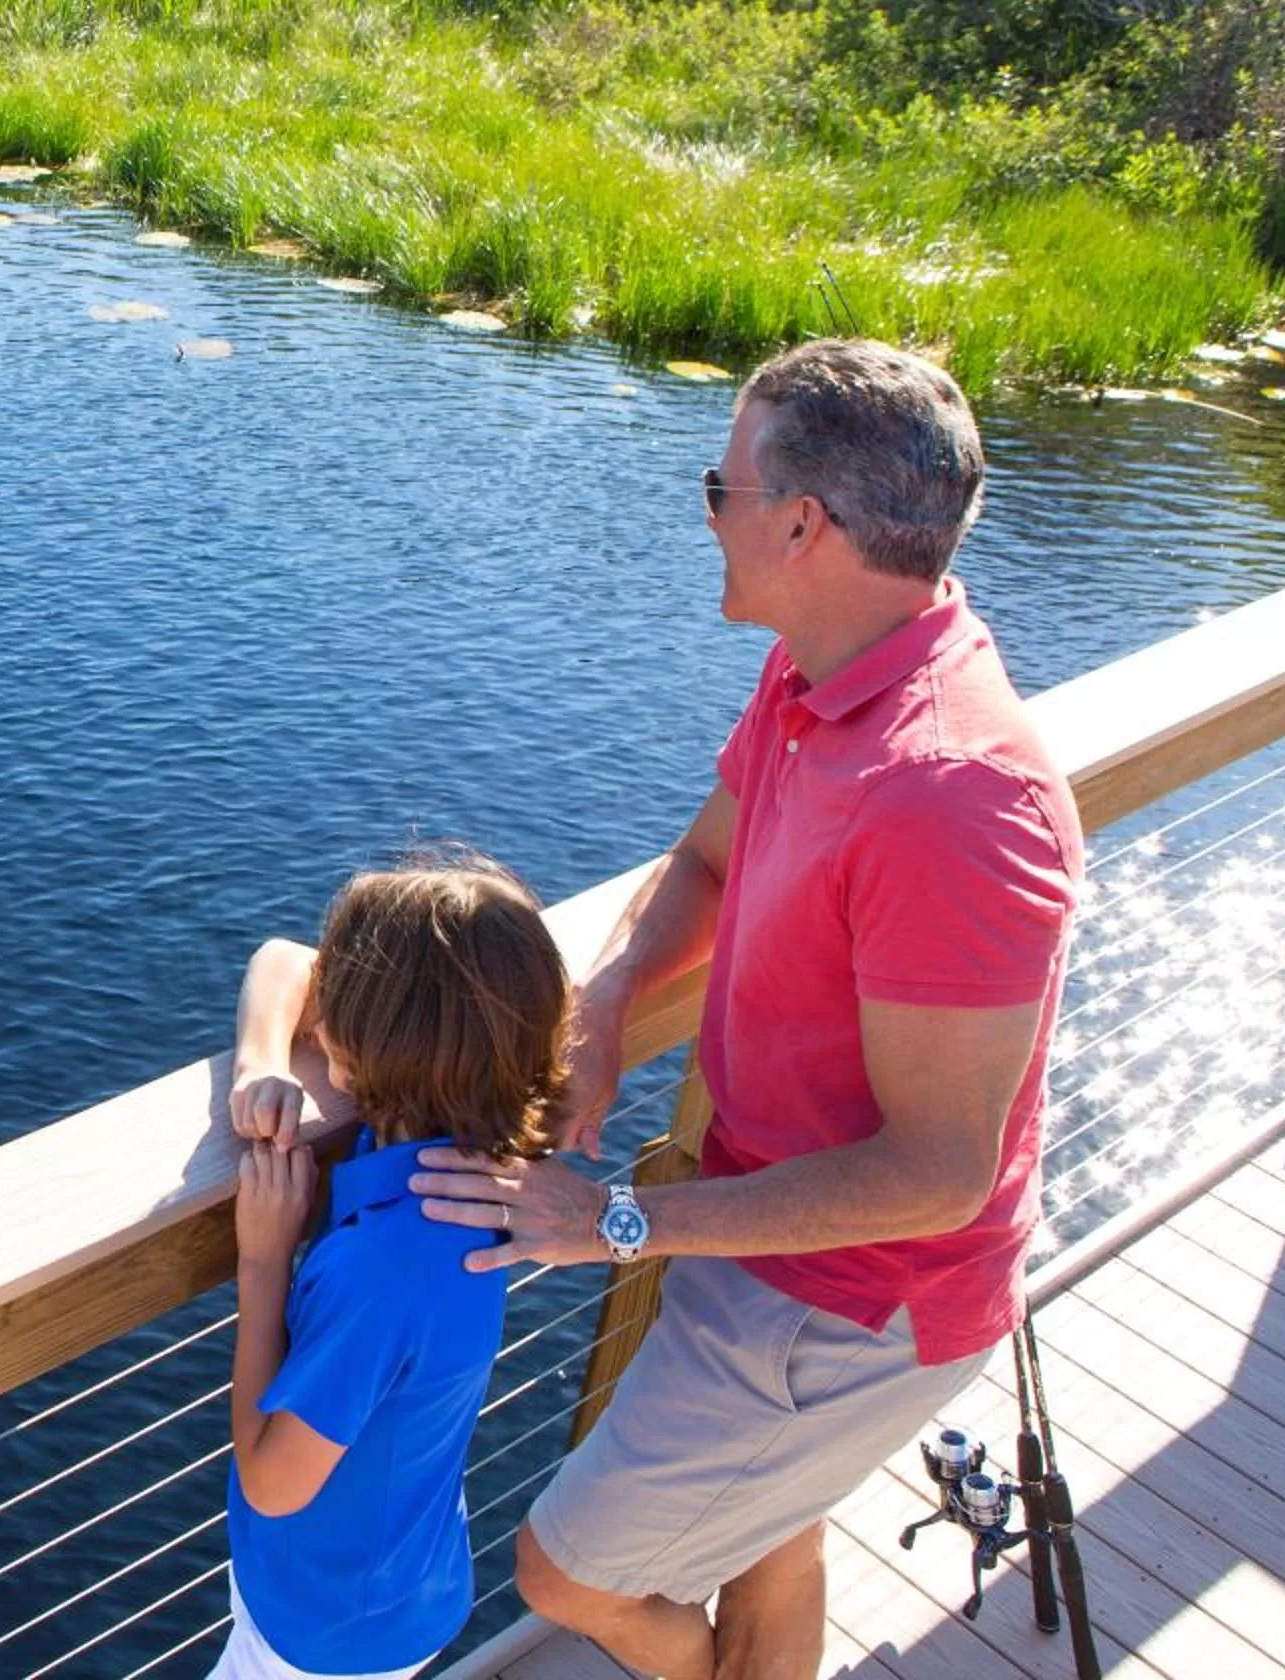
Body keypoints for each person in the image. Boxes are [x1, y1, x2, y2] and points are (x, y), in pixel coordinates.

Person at [407, 339, 1084, 1680]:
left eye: (716, 488)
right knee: (772, 1531)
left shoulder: (954, 797)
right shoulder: (820, 668)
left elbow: (939, 1173)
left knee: (568, 1569)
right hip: (764, 1216)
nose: (705, 512)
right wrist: (604, 1004)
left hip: (854, 1299)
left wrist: (617, 1220)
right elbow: (711, 858)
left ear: (799, 525)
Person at [219, 851, 573, 1680]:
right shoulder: (457, 1160)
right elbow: (284, 961)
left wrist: (263, 1261)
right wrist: (261, 1065)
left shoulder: (386, 1272)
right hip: (397, 1586)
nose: (323, 992)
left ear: (373, 1043)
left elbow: (272, 1485)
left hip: (322, 1630)